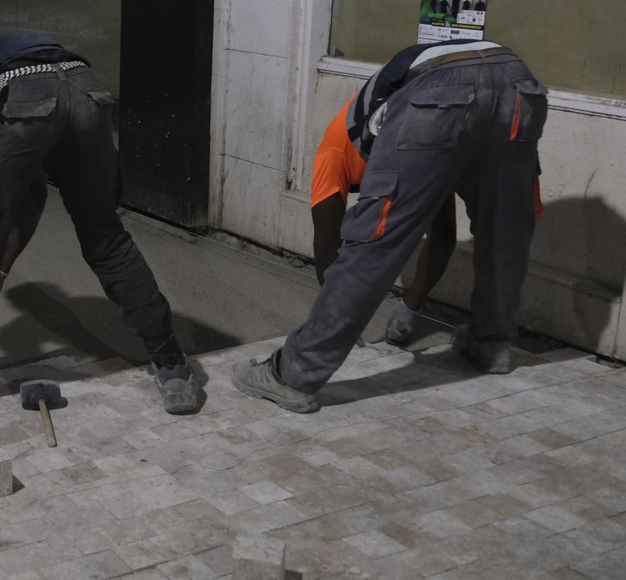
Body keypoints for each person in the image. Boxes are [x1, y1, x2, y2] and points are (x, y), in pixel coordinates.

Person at [0, 32, 198, 415]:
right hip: (83, 88)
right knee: (105, 236)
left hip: (21, 90)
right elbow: (30, 193)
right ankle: (172, 365)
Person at [232, 40, 548, 413]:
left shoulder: (336, 149)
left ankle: (291, 375)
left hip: (442, 90)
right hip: (516, 82)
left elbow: (338, 248)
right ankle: (491, 343)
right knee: (505, 229)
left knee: (373, 239)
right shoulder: (387, 139)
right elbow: (440, 231)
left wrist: (406, 307)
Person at [310, 96, 458, 347]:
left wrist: (409, 309)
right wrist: (336, 320)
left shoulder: (430, 145)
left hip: (431, 137)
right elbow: (326, 246)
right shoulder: (335, 154)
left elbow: (443, 234)